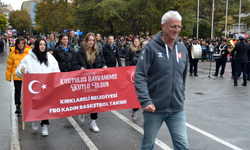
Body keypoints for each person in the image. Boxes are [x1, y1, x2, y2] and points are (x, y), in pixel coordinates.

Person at [134, 10, 189, 150]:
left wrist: (180, 96)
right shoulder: (151, 48)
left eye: (179, 26)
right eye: (173, 26)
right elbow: (140, 75)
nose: (176, 30)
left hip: (176, 109)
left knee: (183, 146)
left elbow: (182, 76)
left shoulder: (182, 48)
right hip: (154, 108)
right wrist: (145, 100)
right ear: (163, 26)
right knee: (148, 145)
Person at [16, 38, 60, 136]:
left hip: (46, 87)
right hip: (33, 88)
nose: (42, 46)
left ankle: (45, 126)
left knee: (45, 107)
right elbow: (18, 70)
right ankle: (34, 119)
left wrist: (54, 79)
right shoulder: (28, 58)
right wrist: (21, 70)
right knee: (35, 106)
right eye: (40, 44)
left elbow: (56, 70)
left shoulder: (50, 58)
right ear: (36, 45)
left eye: (44, 44)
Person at [72, 32, 107, 132]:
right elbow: (74, 65)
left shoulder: (98, 51)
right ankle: (82, 111)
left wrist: (104, 67)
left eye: (93, 40)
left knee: (95, 101)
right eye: (89, 40)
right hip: (84, 80)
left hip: (95, 80)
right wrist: (79, 68)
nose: (91, 42)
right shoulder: (80, 52)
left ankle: (93, 121)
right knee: (84, 99)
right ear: (86, 41)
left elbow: (103, 62)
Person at [6, 37, 31, 114]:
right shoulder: (12, 53)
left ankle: (29, 106)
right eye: (19, 44)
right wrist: (8, 76)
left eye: (22, 43)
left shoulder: (29, 52)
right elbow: (9, 66)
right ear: (16, 44)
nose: (20, 45)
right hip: (17, 75)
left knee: (28, 92)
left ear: (24, 44)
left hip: (27, 75)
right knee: (17, 91)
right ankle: (17, 106)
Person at [125, 37, 141, 121]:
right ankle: (134, 109)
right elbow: (127, 60)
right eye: (135, 41)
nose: (136, 43)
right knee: (134, 92)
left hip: (141, 73)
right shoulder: (130, 50)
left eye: (137, 41)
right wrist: (129, 69)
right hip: (133, 73)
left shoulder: (142, 51)